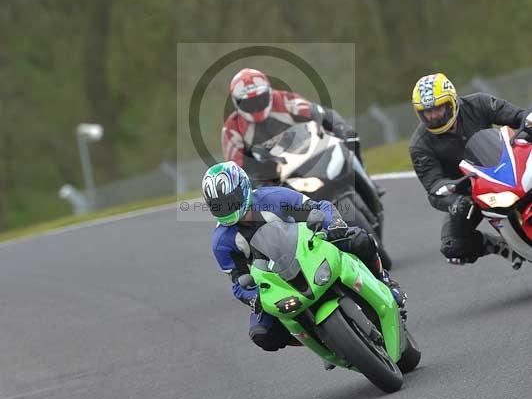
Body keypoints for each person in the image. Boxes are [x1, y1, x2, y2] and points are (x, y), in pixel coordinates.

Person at [202, 161, 405, 358]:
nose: (227, 208)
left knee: (359, 239)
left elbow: (319, 207)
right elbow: (239, 282)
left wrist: (333, 223)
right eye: (219, 206)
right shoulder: (221, 243)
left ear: (244, 187)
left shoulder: (274, 197)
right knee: (262, 334)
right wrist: (253, 296)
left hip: (309, 250)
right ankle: (322, 338)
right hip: (275, 282)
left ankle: (385, 282)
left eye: (231, 200)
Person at [409, 72, 526, 266]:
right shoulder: (419, 145)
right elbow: (433, 185)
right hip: (471, 193)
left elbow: (517, 116)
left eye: (438, 108)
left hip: (510, 167)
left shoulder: (479, 103)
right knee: (452, 246)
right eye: (426, 112)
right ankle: (496, 245)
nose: (433, 116)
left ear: (452, 101)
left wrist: (527, 125)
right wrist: (455, 201)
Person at [221, 67, 367, 172]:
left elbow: (317, 112)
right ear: (236, 102)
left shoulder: (284, 99)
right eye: (249, 103)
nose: (256, 107)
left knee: (348, 136)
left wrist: (339, 129)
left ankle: (363, 175)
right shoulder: (231, 128)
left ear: (269, 92)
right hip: (272, 175)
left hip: (308, 154)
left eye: (260, 99)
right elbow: (236, 168)